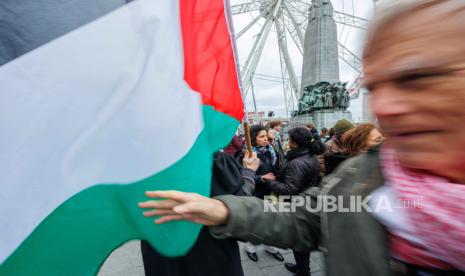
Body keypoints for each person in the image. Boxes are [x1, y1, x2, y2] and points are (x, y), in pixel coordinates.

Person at [139, 1, 465, 275]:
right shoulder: (359, 178)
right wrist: (224, 212)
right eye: (373, 88)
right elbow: (304, 220)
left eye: (417, 78)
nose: (384, 107)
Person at [140, 151, 258, 276]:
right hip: (211, 258)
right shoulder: (210, 161)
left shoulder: (137, 169)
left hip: (161, 260)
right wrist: (249, 173)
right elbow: (241, 215)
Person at [263, 127, 324, 276]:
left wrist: (270, 183)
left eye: (289, 139)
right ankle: (302, 268)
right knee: (303, 241)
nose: (287, 141)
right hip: (307, 202)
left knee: (299, 241)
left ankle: (303, 272)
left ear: (295, 143)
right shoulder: (310, 156)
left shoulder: (296, 162)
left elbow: (290, 189)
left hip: (298, 205)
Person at [241, 125, 283, 262]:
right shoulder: (248, 154)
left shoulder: (271, 150)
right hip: (256, 193)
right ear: (253, 139)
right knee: (256, 222)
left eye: (266, 136)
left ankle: (270, 246)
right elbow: (242, 178)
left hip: (271, 192)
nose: (266, 139)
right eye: (261, 137)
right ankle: (250, 247)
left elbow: (276, 167)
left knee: (271, 221)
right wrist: (261, 178)